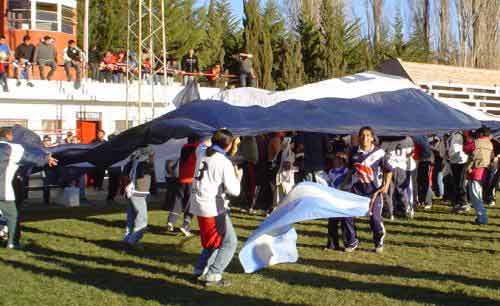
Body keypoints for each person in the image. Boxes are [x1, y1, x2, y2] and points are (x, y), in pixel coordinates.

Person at [190, 129, 242, 287]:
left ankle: (199, 270)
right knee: (230, 242)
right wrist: (238, 177)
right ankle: (214, 274)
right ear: (228, 145)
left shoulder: (202, 152)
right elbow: (235, 191)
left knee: (212, 242)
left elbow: (203, 143)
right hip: (212, 207)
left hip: (198, 203)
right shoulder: (223, 162)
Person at [0, 127, 58, 249]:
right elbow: (31, 157)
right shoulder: (12, 148)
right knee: (12, 216)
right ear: (9, 136)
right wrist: (46, 158)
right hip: (2, 190)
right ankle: (12, 243)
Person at [341, 127, 393, 253]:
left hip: (373, 192)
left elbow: (389, 170)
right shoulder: (353, 152)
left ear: (372, 137)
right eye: (362, 135)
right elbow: (350, 170)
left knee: (375, 219)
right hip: (356, 190)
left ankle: (378, 241)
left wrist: (385, 186)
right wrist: (344, 185)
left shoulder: (379, 153)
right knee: (347, 215)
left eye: (368, 135)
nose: (365, 138)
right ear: (359, 137)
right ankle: (351, 241)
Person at [166, 136, 199, 236]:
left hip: (181, 178)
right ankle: (185, 225)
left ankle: (171, 221)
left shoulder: (184, 147)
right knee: (191, 204)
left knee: (178, 200)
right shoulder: (197, 148)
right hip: (191, 179)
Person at [123, 146, 154, 250]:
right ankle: (133, 241)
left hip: (131, 190)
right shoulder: (143, 163)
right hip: (138, 191)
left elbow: (125, 172)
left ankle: (127, 238)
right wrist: (150, 164)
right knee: (142, 219)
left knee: (131, 217)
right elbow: (142, 175)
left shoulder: (134, 158)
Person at [463, 127, 493, 225]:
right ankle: (480, 217)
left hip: (475, 171)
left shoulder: (476, 142)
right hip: (484, 171)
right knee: (478, 195)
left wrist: (468, 138)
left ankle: (482, 218)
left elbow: (465, 149)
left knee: (475, 197)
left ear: (480, 134)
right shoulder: (490, 143)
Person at [325, 153, 350, 250]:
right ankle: (332, 245)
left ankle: (348, 244)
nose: (334, 161)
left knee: (345, 223)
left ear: (341, 160)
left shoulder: (346, 171)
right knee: (332, 223)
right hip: (333, 199)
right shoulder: (331, 171)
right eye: (334, 159)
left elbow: (348, 182)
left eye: (336, 159)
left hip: (343, 199)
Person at [448, 131, 469, 212]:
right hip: (455, 161)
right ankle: (458, 203)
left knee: (460, 183)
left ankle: (463, 203)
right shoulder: (454, 135)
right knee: (457, 183)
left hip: (460, 161)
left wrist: (449, 155)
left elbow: (455, 149)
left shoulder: (458, 135)